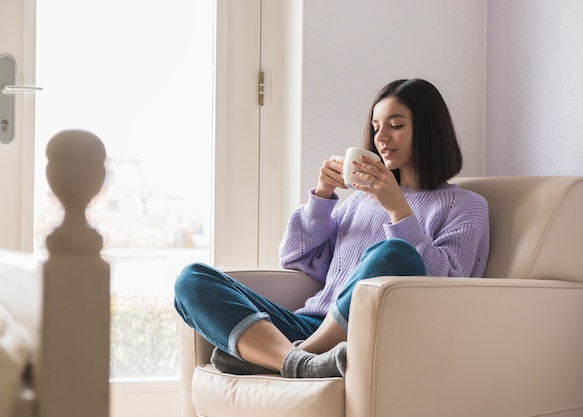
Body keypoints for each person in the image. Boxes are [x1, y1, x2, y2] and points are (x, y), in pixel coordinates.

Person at [174, 78, 490, 379]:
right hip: (309, 324)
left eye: (396, 125)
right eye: (376, 127)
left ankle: (286, 359)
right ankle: (296, 360)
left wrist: (398, 209)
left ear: (428, 130)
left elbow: (447, 284)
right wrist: (323, 195)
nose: (382, 137)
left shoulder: (465, 205)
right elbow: (296, 259)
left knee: (396, 252)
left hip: (361, 336)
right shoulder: (358, 202)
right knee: (192, 279)